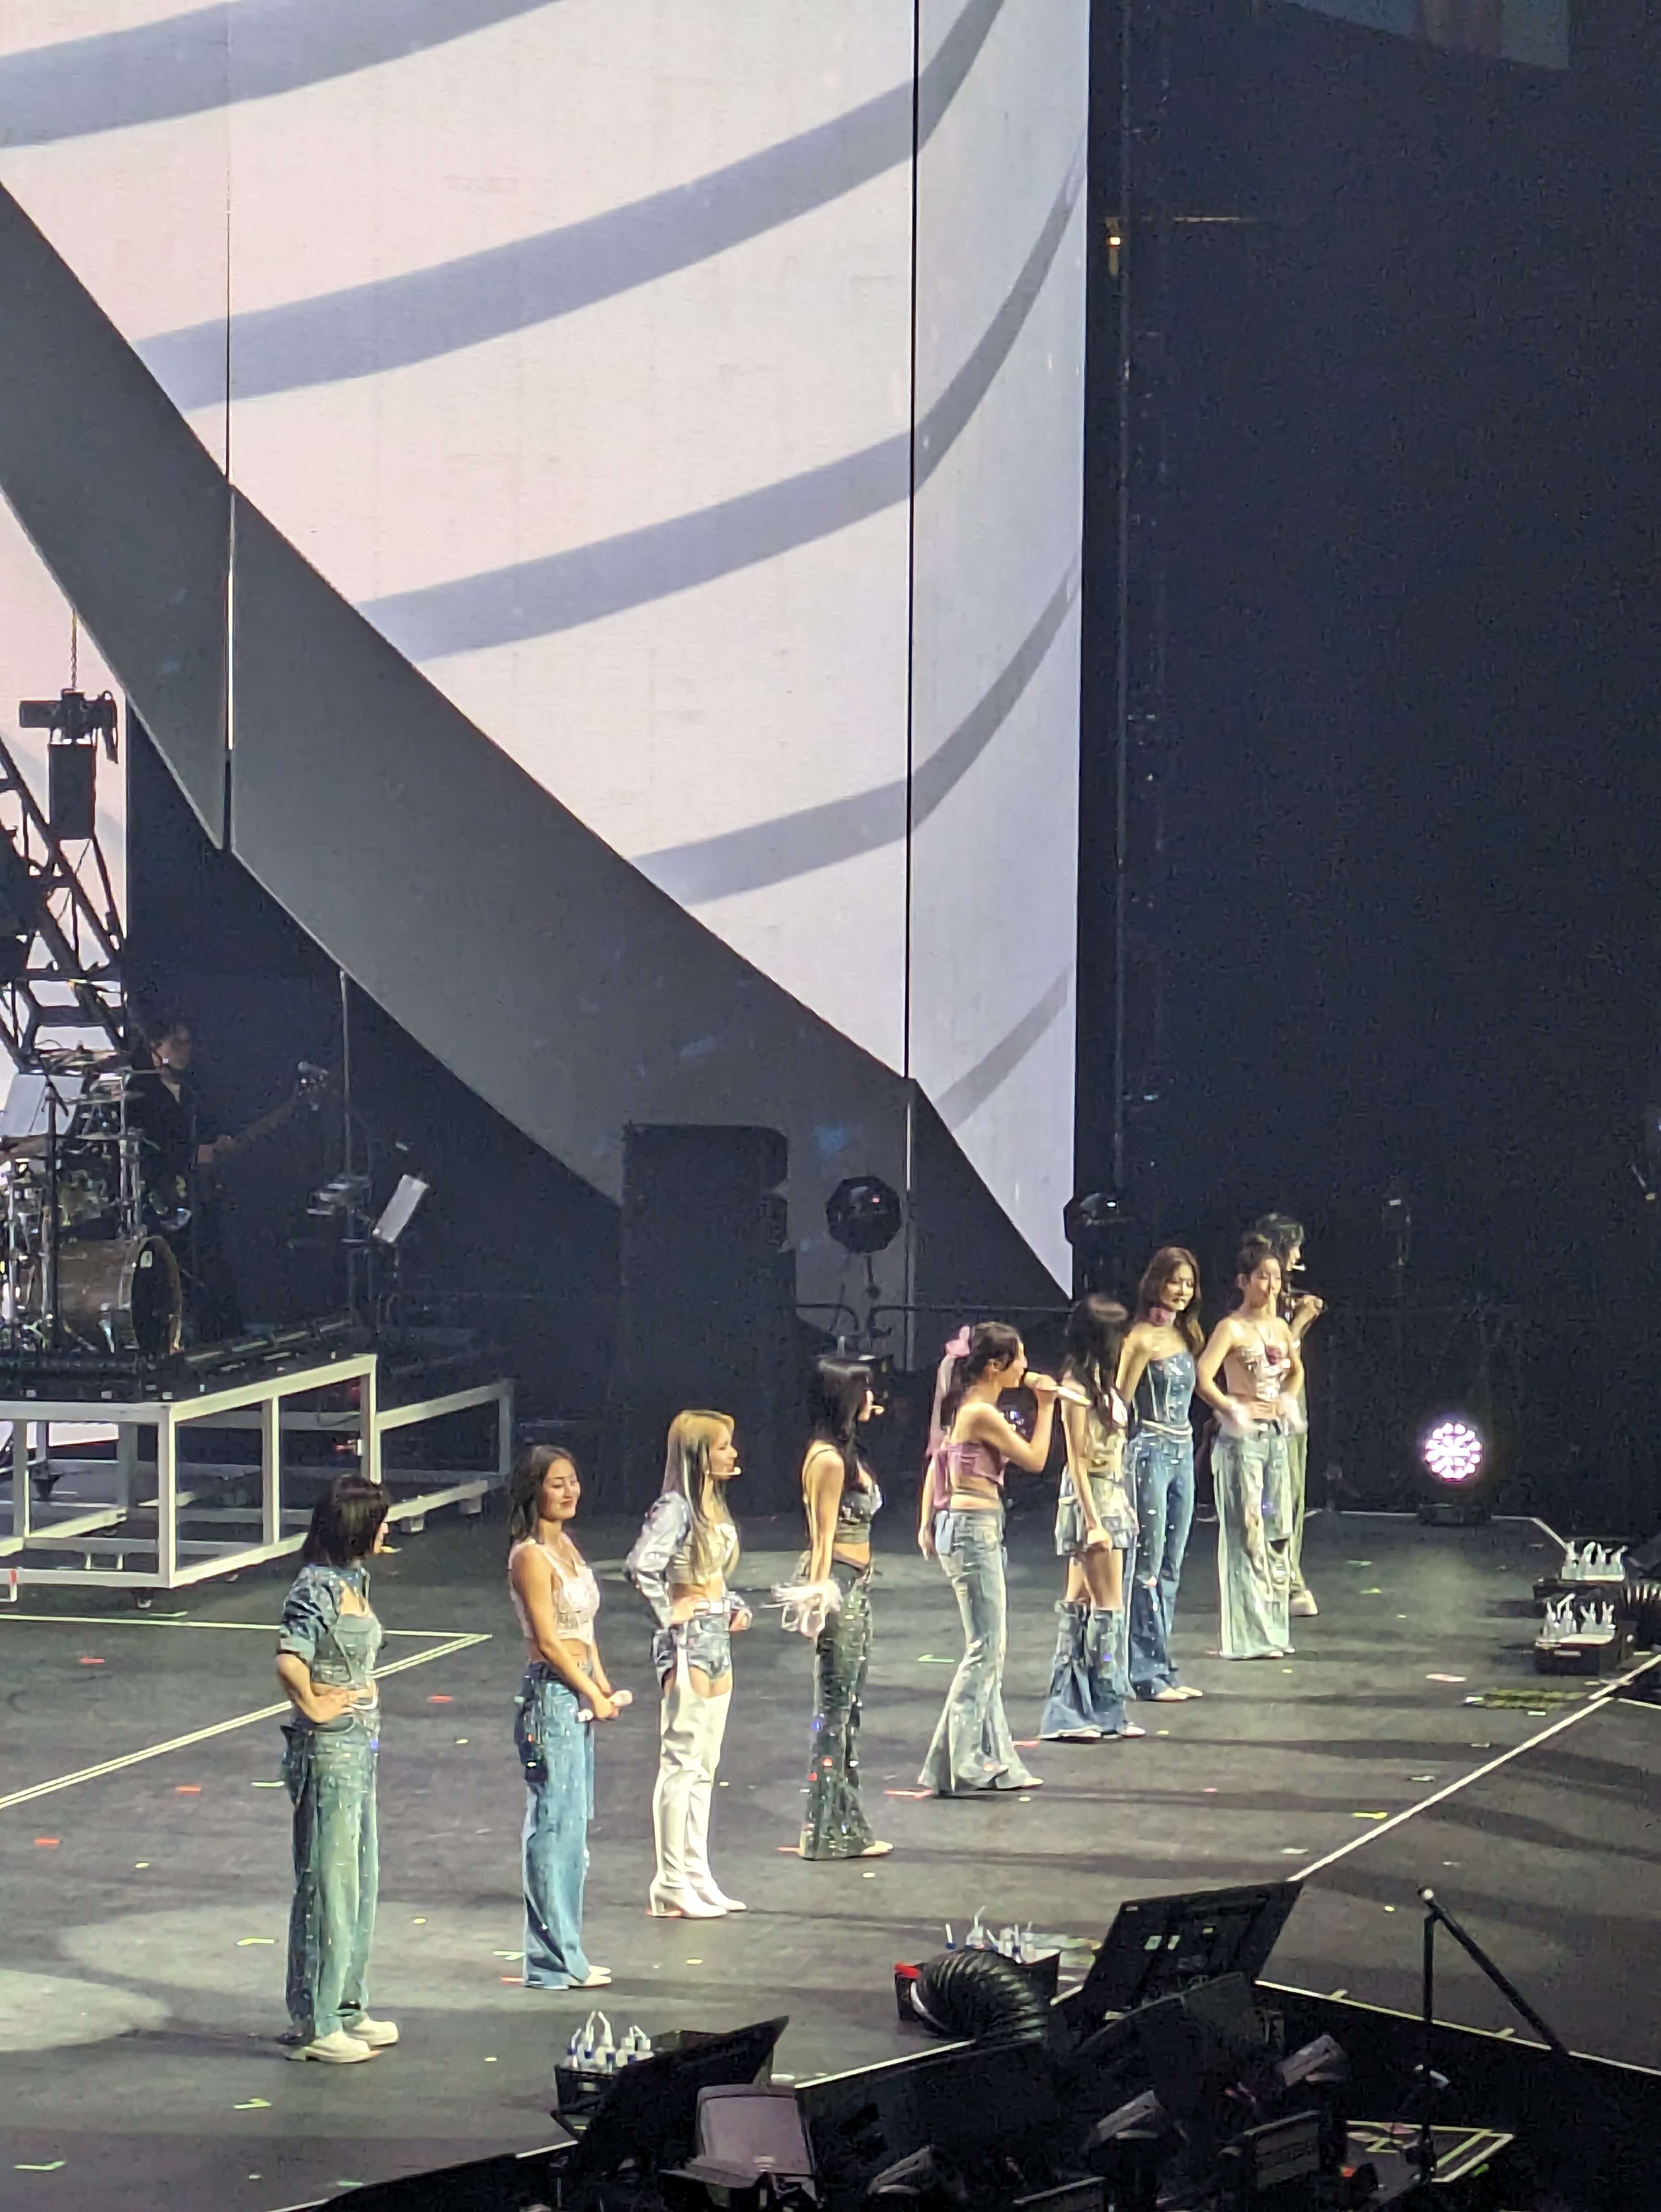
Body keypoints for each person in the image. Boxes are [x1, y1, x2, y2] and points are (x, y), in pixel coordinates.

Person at [275, 1474, 395, 2064]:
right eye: (380, 1520)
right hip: (329, 1752)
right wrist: (318, 1705)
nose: (387, 1529)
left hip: (358, 1746)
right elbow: (289, 1658)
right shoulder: (316, 1588)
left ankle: (347, 2004)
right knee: (330, 1884)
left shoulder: (353, 1579)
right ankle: (319, 2021)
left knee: (360, 1878)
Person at [917, 1321, 1059, 1796]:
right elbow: (1035, 1459)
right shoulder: (979, 1411)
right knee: (985, 1649)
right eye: (1020, 1358)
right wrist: (1046, 1407)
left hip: (972, 1526)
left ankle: (993, 1761)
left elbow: (937, 1463)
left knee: (988, 1649)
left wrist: (927, 1522)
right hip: (972, 1529)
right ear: (996, 1366)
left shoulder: (970, 1407)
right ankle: (958, 1763)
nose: (1026, 1366)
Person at [507, 1445, 625, 1991]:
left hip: (578, 1688)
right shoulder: (530, 1557)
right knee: (553, 1826)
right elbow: (549, 1641)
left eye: (573, 1481)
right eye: (557, 1483)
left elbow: (585, 1631)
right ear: (535, 1490)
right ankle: (550, 1960)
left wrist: (602, 1681)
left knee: (575, 1828)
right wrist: (588, 1690)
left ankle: (569, 1952)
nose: (569, 1491)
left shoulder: (569, 1548)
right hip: (552, 1696)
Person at [626, 1410, 750, 1917]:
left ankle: (697, 1873)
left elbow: (711, 1573)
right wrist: (668, 1611)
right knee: (681, 1762)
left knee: (705, 1765)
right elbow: (641, 1566)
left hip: (716, 1637)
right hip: (689, 1642)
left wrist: (732, 1604)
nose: (732, 1454)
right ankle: (670, 1879)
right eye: (722, 1446)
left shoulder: (710, 1504)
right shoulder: (675, 1508)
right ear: (699, 1454)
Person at [793, 1358, 892, 1858]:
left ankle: (845, 1825)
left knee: (847, 1708)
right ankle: (824, 1831)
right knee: (834, 1710)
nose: (874, 1399)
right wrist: (817, 1601)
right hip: (839, 1584)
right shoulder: (828, 1461)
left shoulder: (845, 1454)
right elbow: (823, 1536)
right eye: (865, 1391)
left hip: (857, 1583)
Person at [1040, 1297, 1146, 1742]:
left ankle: (1073, 1709)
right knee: (1107, 1608)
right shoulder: (1076, 1389)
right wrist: (1094, 1521)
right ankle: (1103, 1706)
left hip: (1112, 1495)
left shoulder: (1106, 1384)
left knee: (1080, 1605)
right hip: (1092, 1501)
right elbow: (1077, 1461)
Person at [1196, 1237, 1304, 1660]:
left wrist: (1286, 1400)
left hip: (1275, 1437)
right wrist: (1232, 1408)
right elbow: (1203, 1377)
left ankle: (1274, 1631)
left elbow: (1296, 1372)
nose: (1271, 1285)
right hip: (1243, 1441)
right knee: (1247, 1533)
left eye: (1276, 1277)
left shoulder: (1280, 1328)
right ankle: (1245, 1637)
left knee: (1277, 1532)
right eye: (1263, 1277)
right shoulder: (1231, 1328)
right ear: (1244, 1281)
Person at [1116, 1247, 1205, 1702]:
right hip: (1150, 1450)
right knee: (1146, 1566)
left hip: (1183, 1450)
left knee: (1171, 1565)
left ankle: (1162, 1665)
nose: (1182, 1291)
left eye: (1189, 1284)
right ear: (1156, 1283)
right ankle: (1143, 1672)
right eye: (1175, 1282)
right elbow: (1120, 1403)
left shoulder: (1186, 1336)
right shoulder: (1140, 1338)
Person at [128, 1009, 243, 1339]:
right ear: (155, 1047)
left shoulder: (194, 1092)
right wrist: (191, 1156)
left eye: (188, 1043)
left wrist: (220, 1142)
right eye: (176, 1043)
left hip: (198, 1199)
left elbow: (208, 1131)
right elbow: (146, 1149)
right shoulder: (138, 1095)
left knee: (212, 1263)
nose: (185, 1050)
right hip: (160, 1200)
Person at [1251, 1212, 1324, 1618]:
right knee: (1273, 1494)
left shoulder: (1286, 1297)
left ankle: (1289, 1574)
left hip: (1292, 1402)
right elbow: (1273, 1357)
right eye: (1294, 1249)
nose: (1298, 1257)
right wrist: (1300, 1323)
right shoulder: (1256, 1304)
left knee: (1293, 1493)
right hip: (1266, 1403)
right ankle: (1276, 1579)